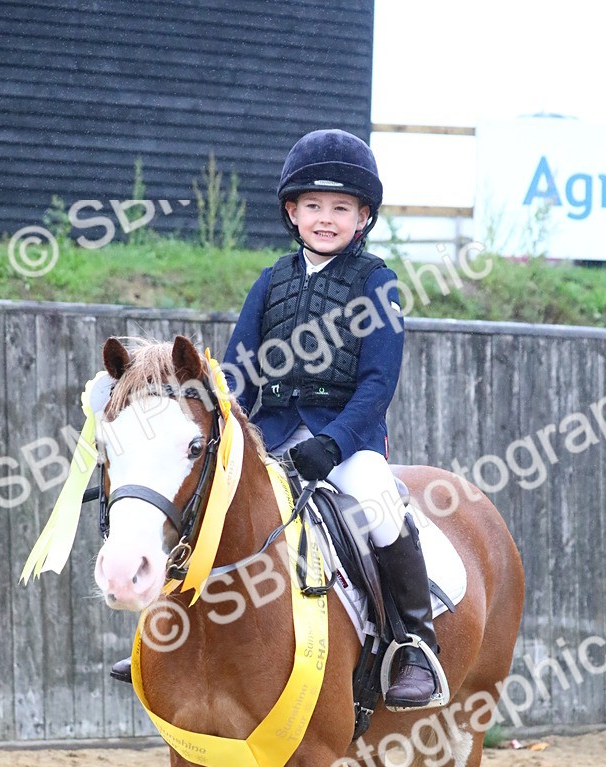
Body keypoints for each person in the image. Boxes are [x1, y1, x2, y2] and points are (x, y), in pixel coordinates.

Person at [112, 129, 440, 708]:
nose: (326, 218)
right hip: (273, 434)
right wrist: (222, 418)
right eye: (314, 206)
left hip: (347, 440)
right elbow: (237, 372)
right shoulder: (272, 281)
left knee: (382, 508)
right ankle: (164, 626)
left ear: (363, 218)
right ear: (292, 211)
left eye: (341, 208)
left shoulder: (378, 283)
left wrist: (335, 444)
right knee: (202, 502)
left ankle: (413, 643)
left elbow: (377, 386)